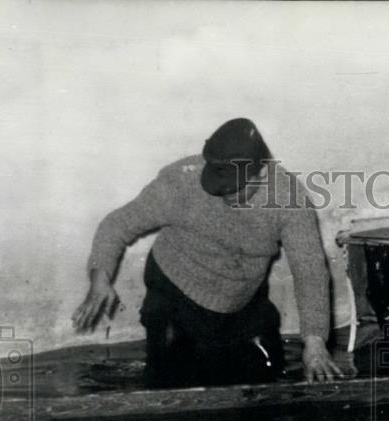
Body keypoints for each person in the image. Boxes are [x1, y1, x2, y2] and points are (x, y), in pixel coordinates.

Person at [72, 117, 343, 386]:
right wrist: (100, 278)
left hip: (243, 301)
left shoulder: (288, 198)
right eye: (217, 184)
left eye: (235, 188)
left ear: (261, 173)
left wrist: (315, 342)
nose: (225, 195)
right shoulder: (181, 181)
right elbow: (117, 224)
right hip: (175, 292)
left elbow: (310, 271)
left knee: (268, 384)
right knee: (169, 388)